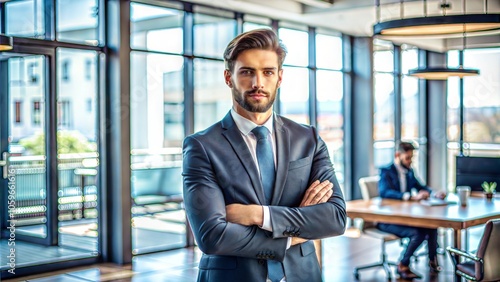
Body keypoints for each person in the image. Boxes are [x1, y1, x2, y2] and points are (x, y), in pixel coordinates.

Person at [182, 28, 346, 282]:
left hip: (302, 275)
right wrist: (295, 231)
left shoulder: (308, 139)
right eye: (247, 72)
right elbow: (212, 236)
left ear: (279, 78)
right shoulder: (202, 146)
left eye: (267, 72)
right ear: (229, 77)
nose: (258, 83)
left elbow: (335, 218)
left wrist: (258, 215)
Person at [378, 141, 446, 280]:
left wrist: (434, 193)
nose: (410, 161)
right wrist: (409, 196)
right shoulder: (386, 171)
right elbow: (384, 192)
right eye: (407, 158)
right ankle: (403, 264)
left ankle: (432, 261)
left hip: (405, 217)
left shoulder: (409, 171)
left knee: (432, 226)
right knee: (418, 233)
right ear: (398, 155)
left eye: (411, 158)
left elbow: (421, 186)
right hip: (388, 219)